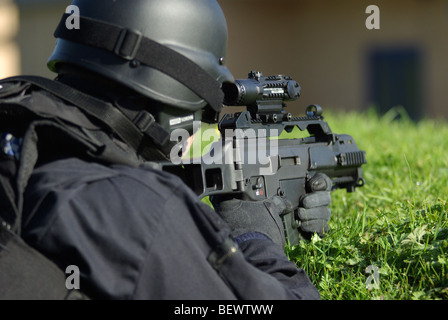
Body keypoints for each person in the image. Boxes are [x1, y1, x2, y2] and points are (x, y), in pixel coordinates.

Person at [0, 0, 332, 299]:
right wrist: (254, 238)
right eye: (204, 109)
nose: (198, 129)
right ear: (174, 92)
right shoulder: (147, 210)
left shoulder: (16, 129)